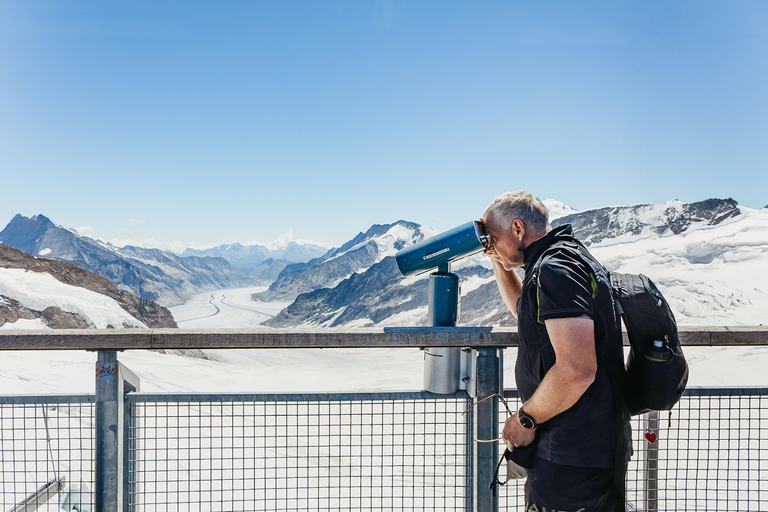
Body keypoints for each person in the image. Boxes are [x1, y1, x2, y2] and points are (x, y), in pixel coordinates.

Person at [481, 191, 630, 512]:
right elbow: (524, 309)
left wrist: (524, 421)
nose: (489, 244)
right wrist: (499, 259)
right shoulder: (560, 260)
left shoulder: (556, 268)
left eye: (493, 237)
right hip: (579, 449)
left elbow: (576, 370)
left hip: (573, 454)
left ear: (518, 229)